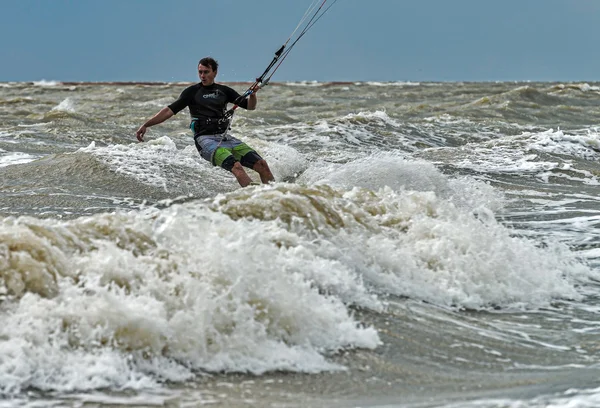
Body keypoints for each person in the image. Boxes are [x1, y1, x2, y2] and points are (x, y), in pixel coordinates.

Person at [135, 57, 274, 187]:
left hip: (225, 137)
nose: (202, 76)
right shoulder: (191, 92)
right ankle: (254, 197)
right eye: (200, 72)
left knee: (262, 165)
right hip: (205, 141)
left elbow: (250, 106)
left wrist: (253, 94)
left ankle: (275, 197)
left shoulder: (224, 91)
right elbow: (168, 111)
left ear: (215, 72)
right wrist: (146, 124)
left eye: (206, 72)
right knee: (237, 167)